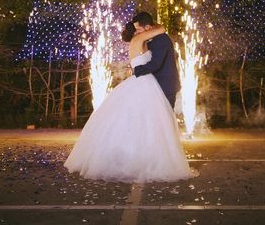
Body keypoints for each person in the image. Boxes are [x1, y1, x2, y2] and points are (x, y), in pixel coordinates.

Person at [64, 19, 191, 183]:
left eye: (140, 29)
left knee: (144, 122)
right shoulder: (138, 39)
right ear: (134, 32)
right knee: (146, 120)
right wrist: (151, 28)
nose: (140, 31)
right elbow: (161, 28)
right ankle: (138, 158)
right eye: (137, 29)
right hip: (143, 81)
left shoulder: (140, 40)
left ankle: (144, 155)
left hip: (145, 82)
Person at [131, 11, 180, 109]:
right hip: (159, 86)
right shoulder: (154, 38)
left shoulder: (161, 40)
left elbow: (156, 64)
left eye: (139, 29)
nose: (137, 32)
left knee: (165, 118)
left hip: (166, 86)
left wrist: (137, 70)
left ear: (148, 28)